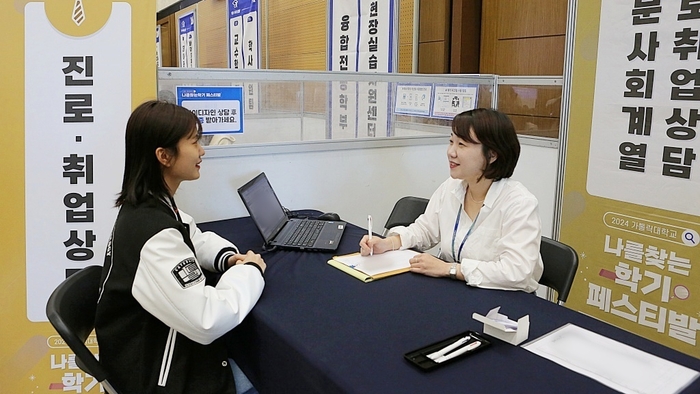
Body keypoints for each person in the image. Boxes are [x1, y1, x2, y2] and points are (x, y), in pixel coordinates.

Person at [95, 100, 266, 394]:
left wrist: (226, 259)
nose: (202, 150)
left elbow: (191, 235)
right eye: (194, 141)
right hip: (163, 378)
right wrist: (250, 271)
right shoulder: (153, 235)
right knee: (273, 372)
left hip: (155, 351)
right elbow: (207, 320)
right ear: (164, 155)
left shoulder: (148, 206)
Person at [360, 108, 543, 292]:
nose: (451, 152)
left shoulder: (519, 203)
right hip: (458, 289)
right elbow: (425, 230)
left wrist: (450, 269)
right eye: (451, 141)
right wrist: (388, 243)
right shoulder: (452, 187)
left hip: (503, 300)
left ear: (492, 155)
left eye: (462, 144)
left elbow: (516, 271)